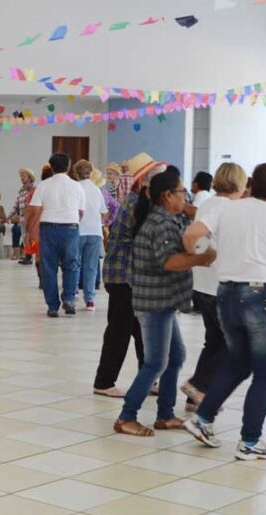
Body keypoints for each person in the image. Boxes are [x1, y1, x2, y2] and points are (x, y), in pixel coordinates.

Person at [183, 162, 266, 459]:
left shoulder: (229, 209)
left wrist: (208, 255)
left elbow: (192, 236)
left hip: (226, 294)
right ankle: (250, 441)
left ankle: (202, 419)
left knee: (238, 363)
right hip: (260, 298)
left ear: (251, 185)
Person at [112, 170, 215, 437]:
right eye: (182, 192)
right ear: (167, 196)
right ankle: (126, 416)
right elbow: (169, 262)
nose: (185, 197)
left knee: (176, 357)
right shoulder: (159, 224)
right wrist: (202, 259)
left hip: (163, 301)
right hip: (154, 302)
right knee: (156, 363)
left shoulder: (166, 218)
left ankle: (165, 414)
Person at [93, 154, 167, 398]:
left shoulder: (139, 201)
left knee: (141, 330)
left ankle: (149, 379)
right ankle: (104, 382)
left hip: (130, 276)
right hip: (124, 276)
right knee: (119, 330)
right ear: (145, 180)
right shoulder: (137, 203)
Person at [180, 163, 248, 411]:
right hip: (219, 284)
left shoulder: (208, 202)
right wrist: (198, 255)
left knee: (215, 340)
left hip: (204, 283)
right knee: (231, 343)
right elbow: (192, 235)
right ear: (238, 183)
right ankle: (198, 385)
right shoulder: (225, 207)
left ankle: (196, 395)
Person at [27, 153, 85, 317]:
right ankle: (69, 299)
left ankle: (52, 306)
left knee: (48, 268)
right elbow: (81, 212)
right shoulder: (76, 186)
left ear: (51, 167)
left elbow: (35, 210)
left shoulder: (43, 185)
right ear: (68, 167)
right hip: (71, 229)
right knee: (72, 265)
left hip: (48, 229)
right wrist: (73, 221)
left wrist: (30, 230)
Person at [74, 160, 108, 311]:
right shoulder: (97, 189)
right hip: (95, 231)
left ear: (76, 173)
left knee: (75, 263)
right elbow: (104, 212)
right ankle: (90, 299)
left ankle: (73, 292)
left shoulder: (75, 188)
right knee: (91, 266)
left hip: (78, 230)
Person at [11, 168, 36, 263]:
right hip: (22, 217)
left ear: (29, 177)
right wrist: (8, 217)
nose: (21, 178)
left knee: (29, 237)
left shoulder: (33, 189)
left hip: (30, 217)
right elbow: (16, 205)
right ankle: (27, 256)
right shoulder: (21, 190)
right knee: (25, 236)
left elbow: (32, 205)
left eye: (23, 176)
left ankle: (29, 257)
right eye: (21, 176)